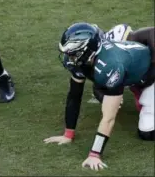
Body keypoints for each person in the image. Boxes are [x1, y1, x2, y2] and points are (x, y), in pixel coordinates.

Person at [44, 22, 154, 171]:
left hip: (150, 78)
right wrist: (68, 134)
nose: (69, 58)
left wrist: (94, 154)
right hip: (134, 73)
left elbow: (109, 117)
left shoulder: (110, 65)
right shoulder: (88, 60)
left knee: (147, 131)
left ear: (88, 51)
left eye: (73, 53)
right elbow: (74, 95)